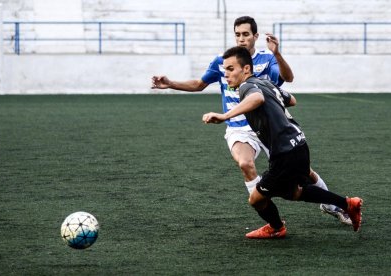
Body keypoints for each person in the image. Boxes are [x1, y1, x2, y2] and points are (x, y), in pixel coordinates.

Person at [152, 16, 350, 225]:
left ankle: (333, 206)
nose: (241, 39)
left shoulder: (266, 58)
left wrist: (277, 54)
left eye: (246, 34)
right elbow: (200, 84)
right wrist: (171, 83)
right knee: (245, 164)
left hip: (268, 127)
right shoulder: (224, 61)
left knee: (305, 173)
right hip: (239, 128)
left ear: (255, 36)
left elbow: (287, 79)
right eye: (237, 34)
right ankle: (271, 219)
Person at [202, 46, 363, 238]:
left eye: (230, 69)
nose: (226, 73)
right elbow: (292, 99)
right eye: (225, 69)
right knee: (294, 192)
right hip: (300, 144)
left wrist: (224, 115)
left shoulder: (247, 87)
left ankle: (277, 228)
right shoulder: (265, 83)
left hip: (284, 153)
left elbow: (257, 98)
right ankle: (348, 204)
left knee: (256, 199)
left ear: (246, 69)